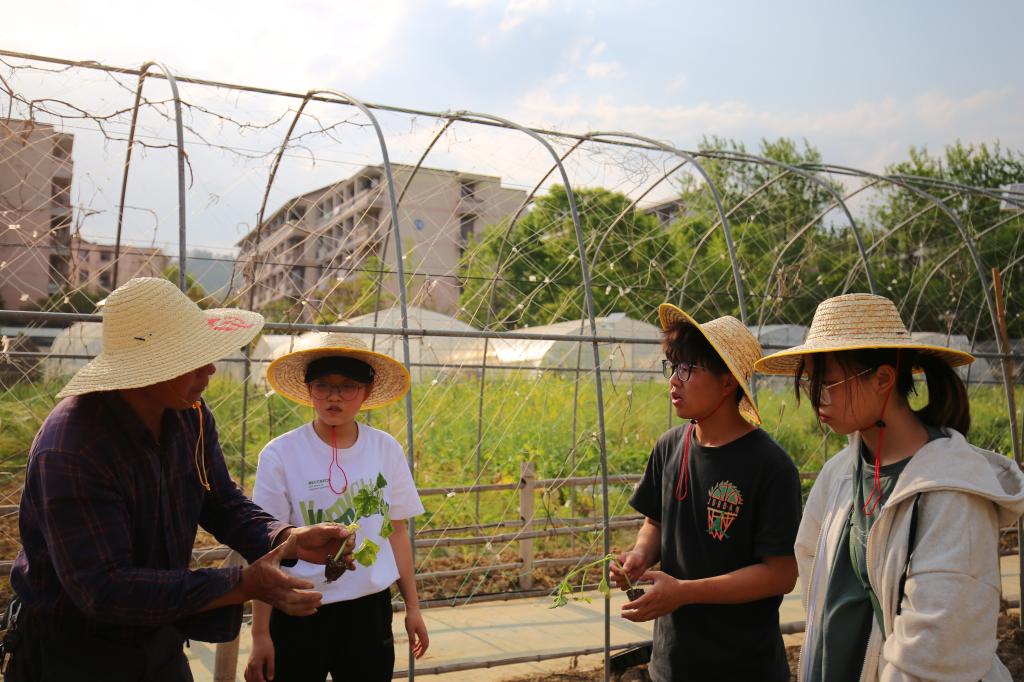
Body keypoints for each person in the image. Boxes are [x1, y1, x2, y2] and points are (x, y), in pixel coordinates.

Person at [4, 277, 353, 682]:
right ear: (146, 368)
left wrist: (284, 537)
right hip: (74, 651)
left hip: (159, 629)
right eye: (190, 358)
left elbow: (219, 500)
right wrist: (241, 584)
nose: (209, 368)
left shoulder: (190, 414)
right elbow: (102, 588)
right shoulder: (74, 448)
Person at [754, 292, 1024, 681]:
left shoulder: (951, 494)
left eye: (827, 385)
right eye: (812, 386)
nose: (817, 402)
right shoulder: (839, 474)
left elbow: (934, 649)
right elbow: (814, 572)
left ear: (883, 379)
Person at [610, 303, 802, 682]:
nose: (673, 381)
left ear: (728, 381)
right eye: (671, 367)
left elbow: (780, 575)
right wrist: (639, 556)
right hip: (673, 663)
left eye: (687, 369)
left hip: (742, 667)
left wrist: (684, 592)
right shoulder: (669, 447)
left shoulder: (770, 466)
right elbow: (655, 521)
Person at [245, 333, 427, 682]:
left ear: (367, 392)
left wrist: (413, 608)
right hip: (298, 607)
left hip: (368, 611)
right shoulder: (280, 454)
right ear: (308, 389)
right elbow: (265, 547)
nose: (334, 396)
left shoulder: (384, 449)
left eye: (348, 386)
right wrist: (260, 634)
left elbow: (397, 530)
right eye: (323, 386)